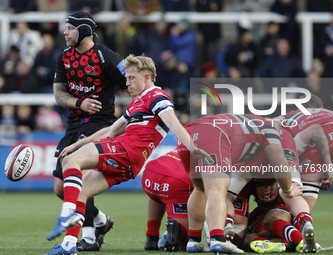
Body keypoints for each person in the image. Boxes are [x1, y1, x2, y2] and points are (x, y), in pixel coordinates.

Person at [44, 54, 212, 255]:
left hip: (125, 150)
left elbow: (173, 122)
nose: (127, 83)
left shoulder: (157, 96)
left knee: (72, 161)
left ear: (147, 77)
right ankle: (69, 245)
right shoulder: (137, 102)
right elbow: (111, 131)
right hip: (129, 163)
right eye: (126, 78)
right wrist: (77, 144)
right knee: (82, 191)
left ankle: (66, 213)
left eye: (132, 78)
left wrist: (193, 148)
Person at [51, 11, 127, 252]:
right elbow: (58, 93)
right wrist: (78, 103)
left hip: (100, 125)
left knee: (80, 176)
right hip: (74, 123)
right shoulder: (64, 55)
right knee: (61, 189)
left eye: (70, 28)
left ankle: (89, 237)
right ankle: (102, 220)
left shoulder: (107, 57)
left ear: (83, 31)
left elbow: (134, 81)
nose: (65, 33)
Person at [176, 114, 308, 254]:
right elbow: (280, 164)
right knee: (217, 190)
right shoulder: (270, 129)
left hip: (188, 133)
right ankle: (218, 239)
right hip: (212, 135)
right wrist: (288, 190)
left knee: (200, 189)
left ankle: (194, 241)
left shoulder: (249, 122)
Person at [142, 149, 193, 251]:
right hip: (176, 181)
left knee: (159, 196)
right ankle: (175, 229)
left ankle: (152, 237)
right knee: (188, 238)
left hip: (150, 174)